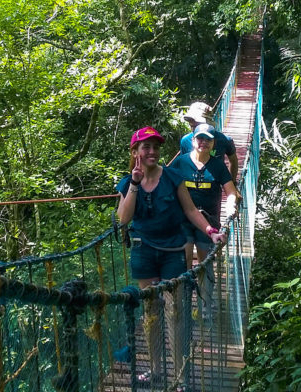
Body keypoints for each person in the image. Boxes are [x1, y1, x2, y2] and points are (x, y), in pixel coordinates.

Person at [116, 126, 226, 389]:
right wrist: (134, 183)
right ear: (135, 152)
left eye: (155, 147)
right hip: (144, 251)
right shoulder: (126, 182)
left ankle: (180, 375)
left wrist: (210, 231)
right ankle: (156, 370)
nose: (152, 151)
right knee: (150, 312)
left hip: (173, 252)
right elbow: (123, 219)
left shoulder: (174, 177)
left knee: (175, 313)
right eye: (146, 147)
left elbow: (190, 210)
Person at [169, 123, 241, 322]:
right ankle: (180, 303)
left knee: (205, 262)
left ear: (213, 143)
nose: (203, 142)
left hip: (209, 223)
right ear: (192, 141)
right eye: (199, 138)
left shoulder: (217, 166)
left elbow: (231, 192)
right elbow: (164, 185)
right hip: (182, 220)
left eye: (207, 139)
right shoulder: (180, 163)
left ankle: (207, 304)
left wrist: (232, 205)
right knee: (181, 262)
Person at [175, 102, 239, 183]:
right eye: (191, 121)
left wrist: (232, 182)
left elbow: (233, 160)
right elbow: (183, 166)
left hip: (215, 183)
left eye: (196, 121)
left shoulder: (224, 140)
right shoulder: (185, 141)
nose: (192, 124)